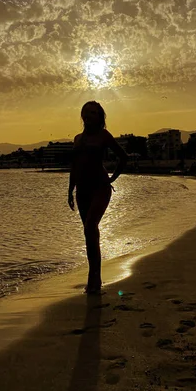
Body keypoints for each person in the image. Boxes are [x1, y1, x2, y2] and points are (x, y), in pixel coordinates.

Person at [68, 101, 127, 295]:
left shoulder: (104, 135)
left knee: (90, 226)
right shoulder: (77, 139)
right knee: (89, 234)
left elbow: (123, 157)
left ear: (99, 116)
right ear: (82, 115)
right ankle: (95, 278)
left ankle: (95, 278)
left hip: (100, 188)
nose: (89, 115)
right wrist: (70, 191)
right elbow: (74, 167)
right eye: (86, 112)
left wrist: (112, 178)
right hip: (82, 191)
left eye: (93, 113)